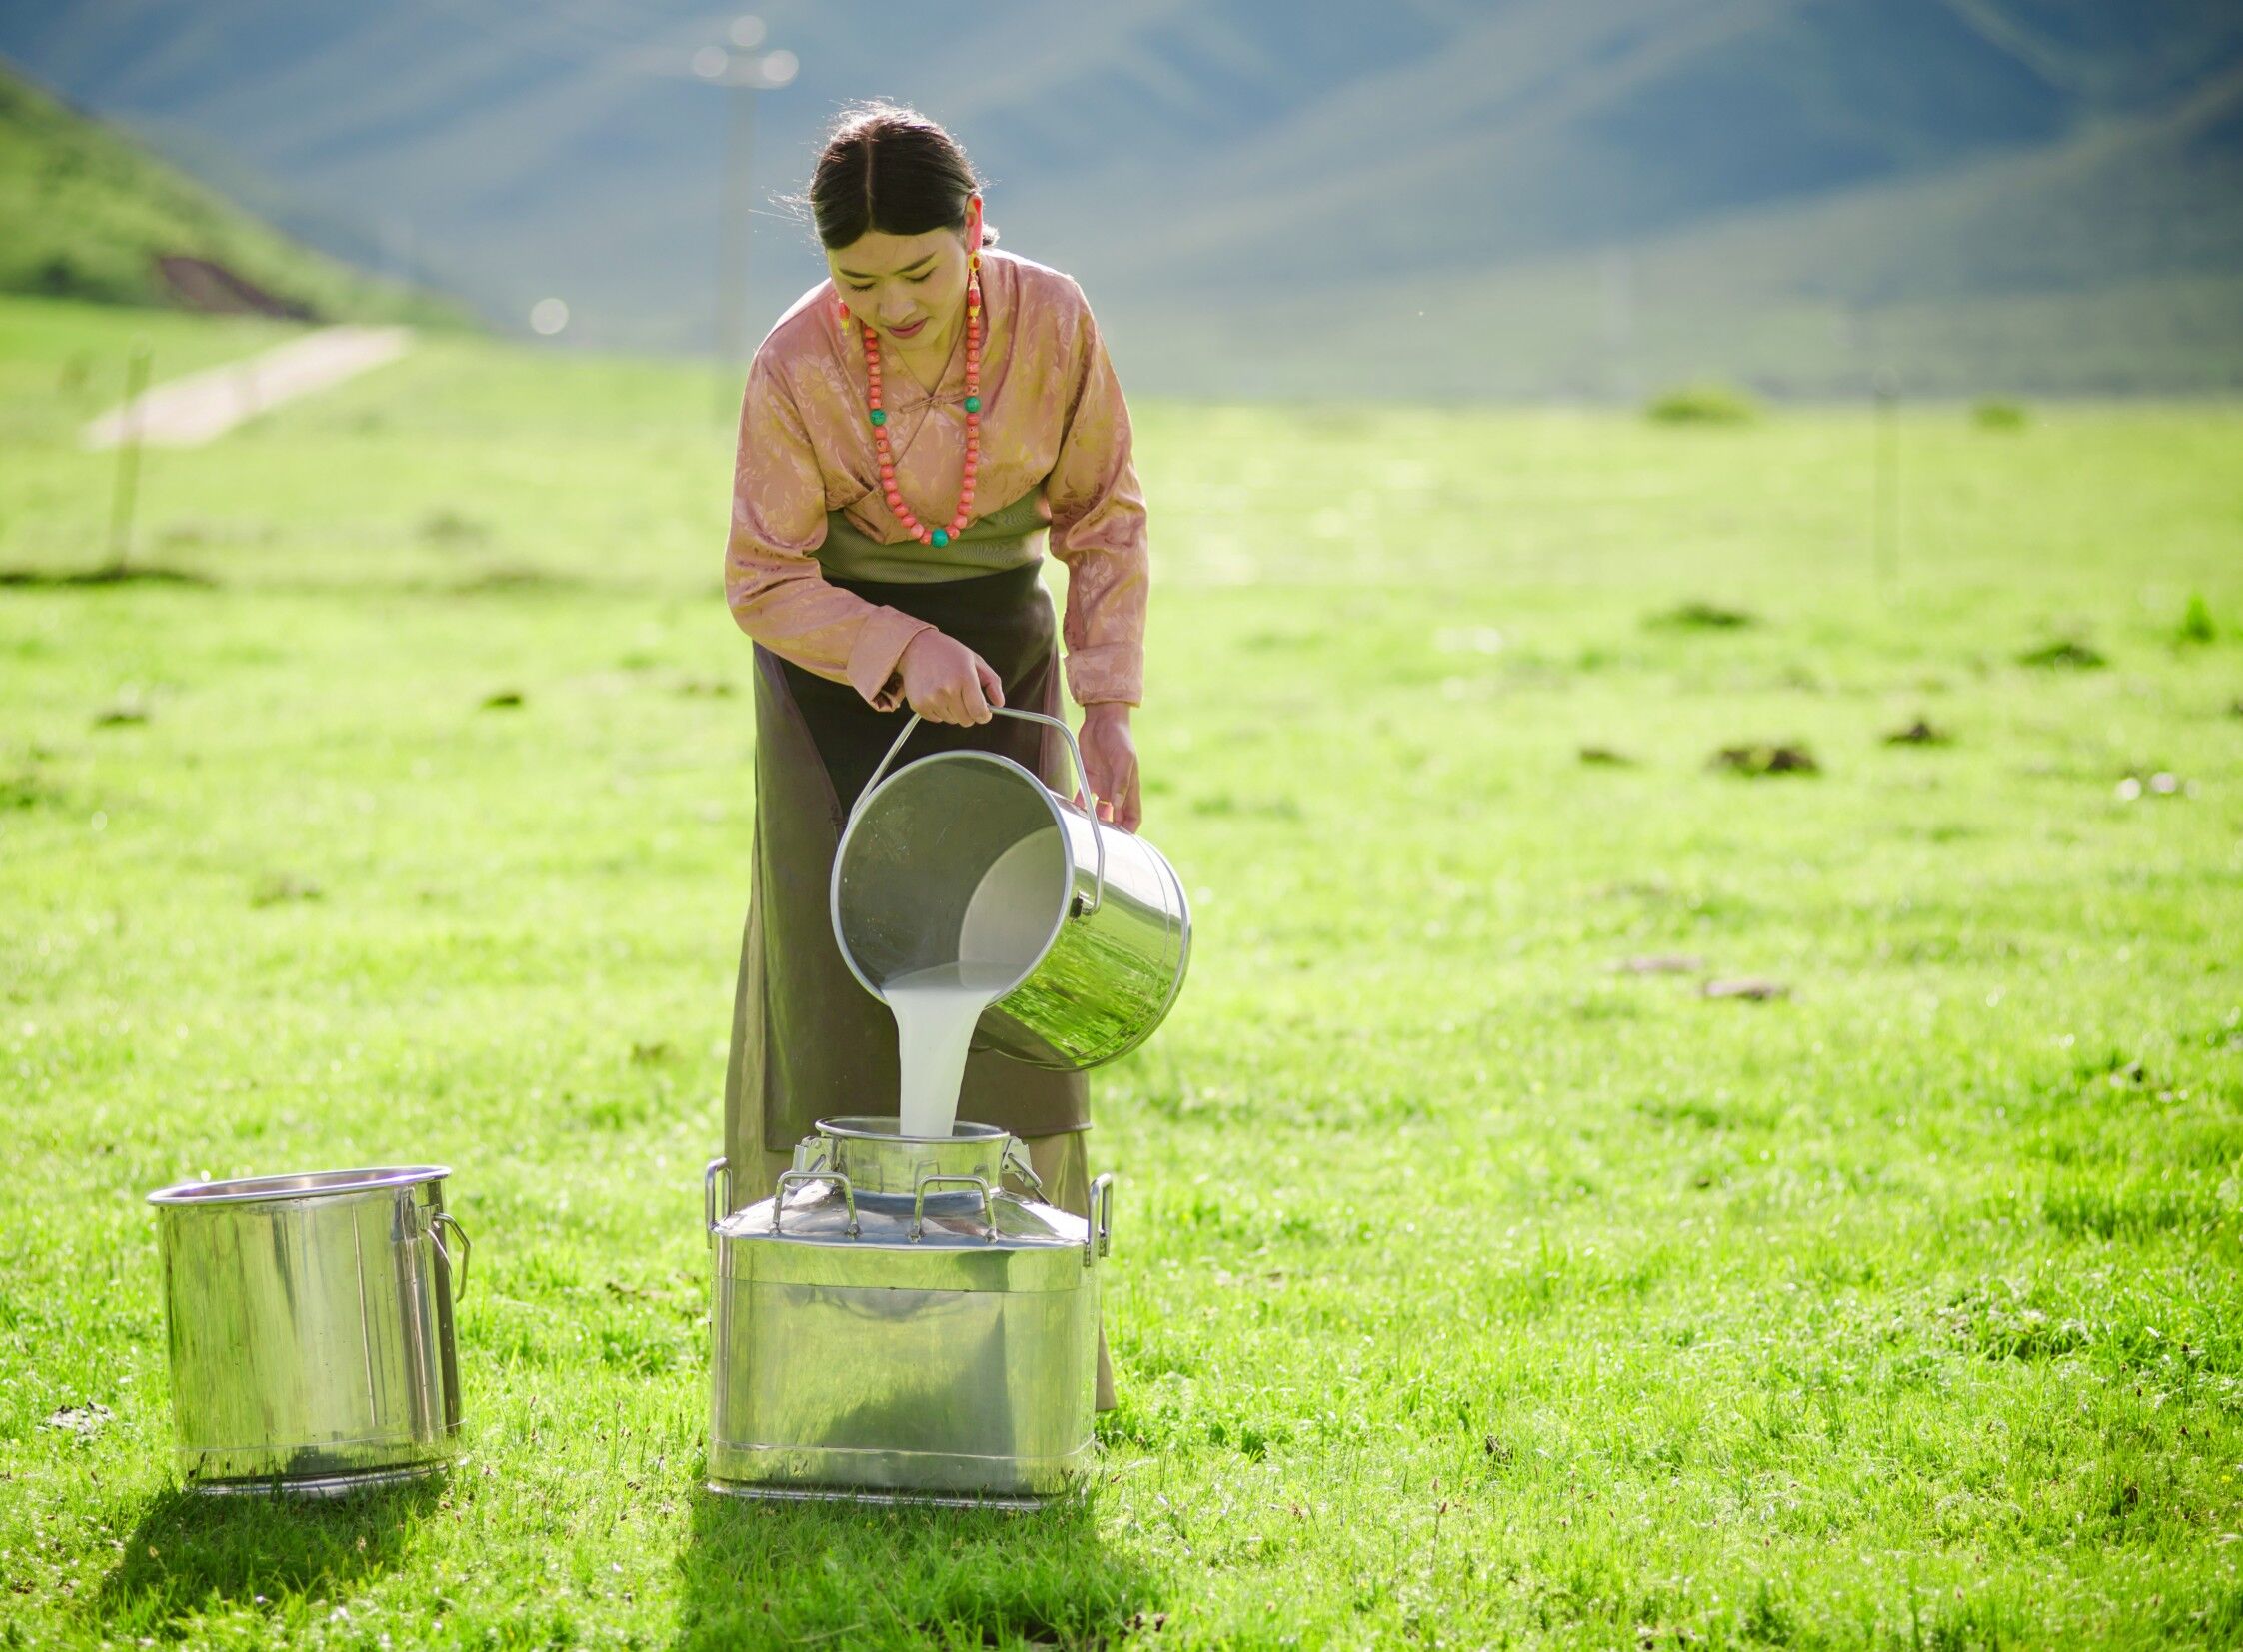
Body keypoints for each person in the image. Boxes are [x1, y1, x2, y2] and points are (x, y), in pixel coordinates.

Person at [720, 103, 1147, 1409]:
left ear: (973, 228)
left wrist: (1109, 702)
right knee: (839, 982)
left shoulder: (1054, 322)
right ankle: (831, 1362)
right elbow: (760, 576)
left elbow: (1105, 518)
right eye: (858, 280)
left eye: (920, 270)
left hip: (1007, 671)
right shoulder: (795, 364)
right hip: (836, 675)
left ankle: (1039, 1359)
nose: (890, 305)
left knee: (1016, 984)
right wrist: (897, 643)